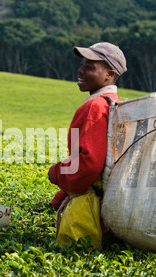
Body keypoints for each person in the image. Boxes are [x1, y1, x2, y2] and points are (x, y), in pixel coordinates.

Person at [48, 42, 127, 244]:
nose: (80, 70)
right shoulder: (117, 103)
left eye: (89, 67)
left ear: (109, 75)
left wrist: (57, 172)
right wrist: (61, 195)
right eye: (82, 64)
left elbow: (89, 164)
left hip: (90, 212)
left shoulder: (94, 107)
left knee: (71, 254)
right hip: (111, 207)